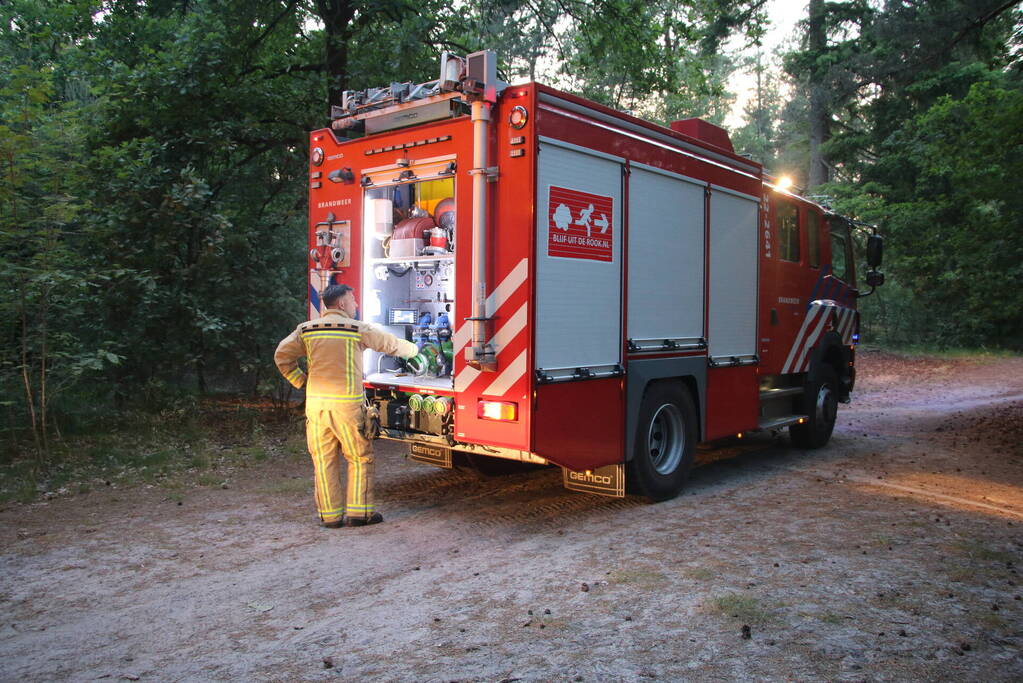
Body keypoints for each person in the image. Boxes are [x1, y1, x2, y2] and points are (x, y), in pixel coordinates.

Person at [275, 284, 418, 528]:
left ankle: (329, 517)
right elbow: (391, 345)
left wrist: (302, 381)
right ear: (342, 304)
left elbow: (282, 356)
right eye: (353, 300)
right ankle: (360, 514)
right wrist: (415, 348)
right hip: (347, 407)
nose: (356, 305)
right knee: (360, 457)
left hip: (317, 407)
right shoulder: (356, 329)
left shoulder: (306, 330)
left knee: (323, 460)